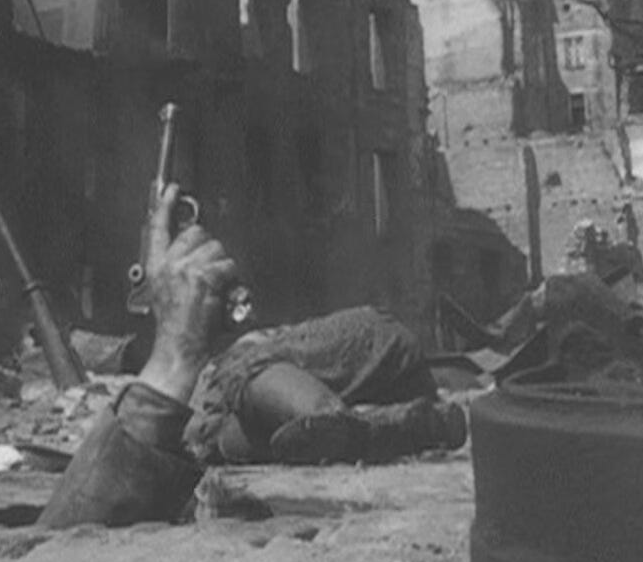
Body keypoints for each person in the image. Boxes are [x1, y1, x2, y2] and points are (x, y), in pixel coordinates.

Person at [38, 185, 465, 529]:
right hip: (376, 377)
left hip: (363, 345)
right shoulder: (215, 425)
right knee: (248, 437)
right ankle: (406, 425)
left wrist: (177, 348)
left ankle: (348, 422)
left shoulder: (225, 370)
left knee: (242, 378)